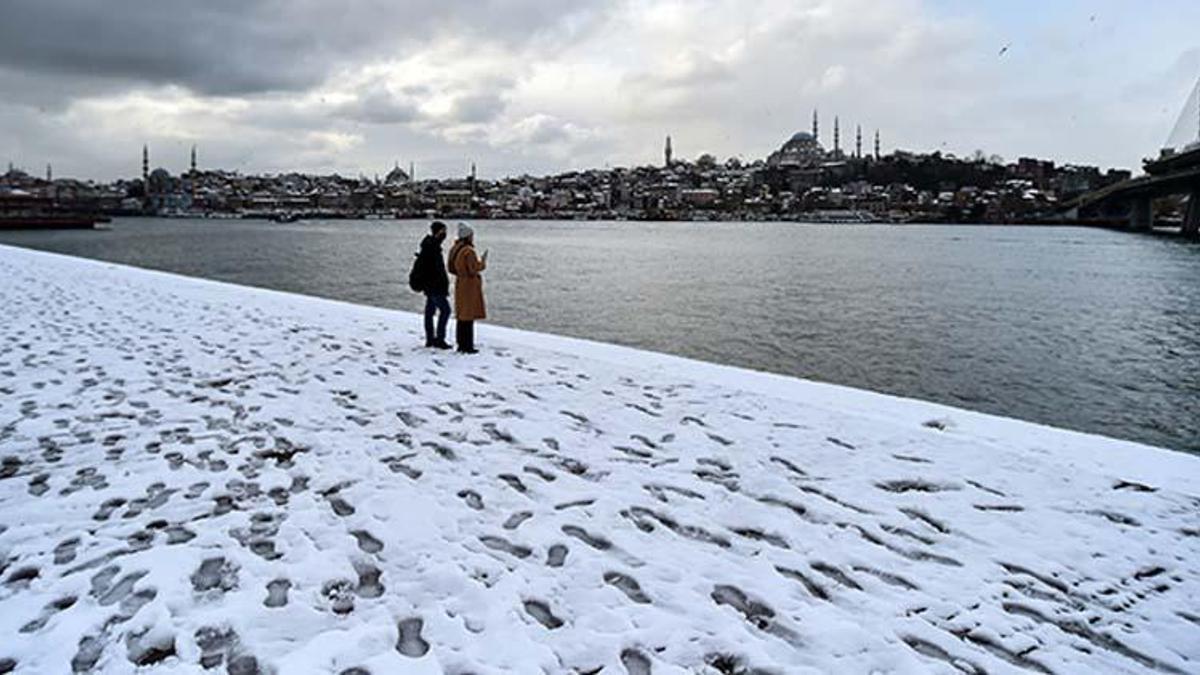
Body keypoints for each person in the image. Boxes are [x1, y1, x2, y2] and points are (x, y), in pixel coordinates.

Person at [447, 222, 487, 354]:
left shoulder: (455, 248)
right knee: (468, 316)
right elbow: (473, 269)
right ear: (468, 236)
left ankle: (461, 343)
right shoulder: (469, 251)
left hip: (460, 282)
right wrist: (482, 262)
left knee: (461, 315)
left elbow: (450, 268)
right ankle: (467, 345)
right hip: (469, 285)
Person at [417, 221, 452, 349]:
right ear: (438, 232)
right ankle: (439, 339)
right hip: (435, 286)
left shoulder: (429, 245)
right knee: (445, 310)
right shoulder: (433, 247)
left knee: (429, 312)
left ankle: (430, 339)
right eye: (443, 231)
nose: (445, 234)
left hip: (430, 285)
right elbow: (435, 269)